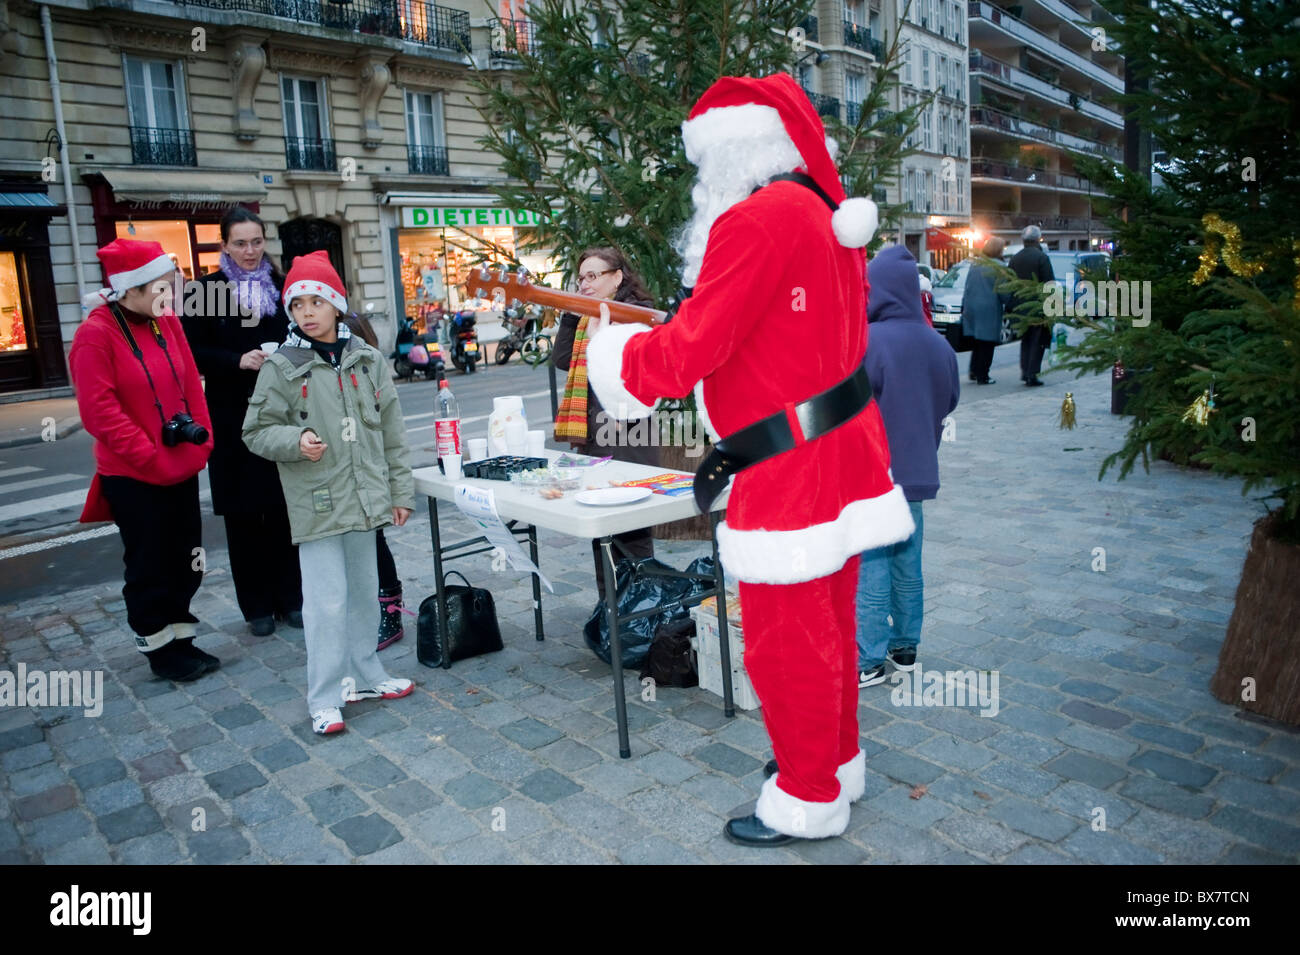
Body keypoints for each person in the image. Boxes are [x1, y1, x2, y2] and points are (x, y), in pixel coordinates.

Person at [585, 73, 914, 846]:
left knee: (785, 640)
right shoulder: (822, 213)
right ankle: (833, 762)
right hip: (840, 451)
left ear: (731, 152)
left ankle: (806, 795)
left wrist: (615, 355)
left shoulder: (757, 220)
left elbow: (690, 352)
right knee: (828, 622)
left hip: (786, 467)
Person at [242, 251, 416, 736]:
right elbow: (255, 431)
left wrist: (399, 491)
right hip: (316, 502)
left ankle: (365, 673)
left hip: (365, 499)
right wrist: (295, 442)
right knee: (324, 603)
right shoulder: (281, 365)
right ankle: (323, 696)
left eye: (317, 301)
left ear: (336, 304)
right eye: (298, 305)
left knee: (364, 593)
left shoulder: (367, 359)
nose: (307, 312)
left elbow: (392, 433)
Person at [70, 238, 218, 682]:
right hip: (134, 474)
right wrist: (148, 455)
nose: (167, 298)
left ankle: (182, 637)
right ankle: (160, 649)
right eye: (156, 289)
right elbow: (100, 412)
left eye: (168, 288)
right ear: (127, 290)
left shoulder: (166, 321)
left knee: (187, 556)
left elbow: (192, 381)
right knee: (150, 563)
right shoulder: (95, 334)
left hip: (178, 464)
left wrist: (202, 440)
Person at [181, 208, 302, 637]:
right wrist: (237, 360)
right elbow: (192, 353)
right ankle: (257, 609)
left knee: (286, 509)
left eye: (256, 242)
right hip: (233, 416)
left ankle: (293, 598)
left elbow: (303, 335)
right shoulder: (205, 292)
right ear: (225, 246)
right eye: (240, 243)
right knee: (244, 515)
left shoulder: (283, 285)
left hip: (282, 414)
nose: (250, 252)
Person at [856, 245, 960, 686]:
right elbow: (950, 398)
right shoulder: (938, 343)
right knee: (908, 564)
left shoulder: (869, 341)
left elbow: (850, 405)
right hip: (916, 473)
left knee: (872, 568)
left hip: (873, 473)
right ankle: (906, 650)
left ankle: (869, 659)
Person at [552, 246, 659, 592]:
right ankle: (610, 612)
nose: (584, 282)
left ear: (617, 277)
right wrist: (572, 313)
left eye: (593, 275)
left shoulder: (637, 315)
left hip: (629, 432)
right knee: (602, 529)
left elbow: (631, 372)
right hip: (594, 433)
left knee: (631, 527)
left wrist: (602, 335)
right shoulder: (589, 317)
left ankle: (641, 612)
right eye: (581, 277)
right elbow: (563, 359)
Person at [342, 311, 411, 651]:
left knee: (374, 539)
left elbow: (393, 434)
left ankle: (391, 609)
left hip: (368, 472)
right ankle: (358, 609)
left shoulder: (371, 369)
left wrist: (398, 489)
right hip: (335, 471)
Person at [1010, 224, 1055, 386]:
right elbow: (1049, 283)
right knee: (1038, 341)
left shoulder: (1015, 258)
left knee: (1026, 340)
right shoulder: (1041, 258)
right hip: (1038, 306)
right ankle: (1032, 373)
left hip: (1021, 307)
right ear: (1038, 239)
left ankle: (1025, 371)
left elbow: (1010, 283)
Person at [960, 236, 1009, 384]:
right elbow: (1004, 292)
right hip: (989, 308)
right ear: (998, 250)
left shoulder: (975, 264)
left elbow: (967, 287)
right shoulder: (1000, 267)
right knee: (987, 343)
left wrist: (965, 306)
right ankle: (983, 375)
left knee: (976, 341)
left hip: (972, 307)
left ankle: (973, 371)